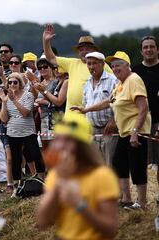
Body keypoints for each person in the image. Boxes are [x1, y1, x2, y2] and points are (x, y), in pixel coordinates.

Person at [72, 51, 151, 210]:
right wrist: (86, 109)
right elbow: (108, 102)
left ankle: (142, 203)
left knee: (137, 166)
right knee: (119, 163)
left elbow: (143, 108)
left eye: (118, 65)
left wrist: (135, 131)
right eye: (113, 66)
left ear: (127, 66)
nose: (115, 68)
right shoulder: (121, 84)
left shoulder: (133, 80)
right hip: (124, 132)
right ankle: (126, 198)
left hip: (136, 131)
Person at [36, 111, 119, 240]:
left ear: (82, 147)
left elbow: (110, 229)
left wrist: (80, 205)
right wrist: (60, 183)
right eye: (58, 139)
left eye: (68, 140)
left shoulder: (102, 176)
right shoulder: (55, 175)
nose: (60, 146)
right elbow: (42, 221)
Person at [42, 24, 112, 112]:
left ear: (94, 51)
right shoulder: (72, 63)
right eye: (81, 49)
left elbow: (115, 89)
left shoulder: (102, 65)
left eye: (87, 49)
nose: (84, 52)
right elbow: (50, 58)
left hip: (92, 116)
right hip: (71, 116)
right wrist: (46, 41)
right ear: (78, 52)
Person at [0, 72, 45, 188]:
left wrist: (14, 100)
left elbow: (25, 113)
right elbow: (3, 119)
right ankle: (16, 185)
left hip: (28, 131)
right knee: (16, 159)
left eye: (15, 82)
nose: (12, 84)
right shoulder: (6, 98)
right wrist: (4, 102)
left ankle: (41, 180)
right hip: (12, 132)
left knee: (35, 154)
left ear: (20, 83)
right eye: (10, 82)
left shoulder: (28, 95)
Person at [132, 36, 159, 203]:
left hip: (158, 120)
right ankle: (141, 199)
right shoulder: (135, 72)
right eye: (145, 47)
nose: (148, 50)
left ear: (157, 49)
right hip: (141, 122)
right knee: (140, 162)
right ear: (141, 51)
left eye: (152, 47)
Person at [81, 52, 118, 165]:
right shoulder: (87, 83)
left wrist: (113, 120)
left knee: (109, 164)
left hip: (109, 128)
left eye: (94, 63)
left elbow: (118, 103)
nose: (91, 67)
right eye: (89, 64)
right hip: (92, 129)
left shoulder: (113, 80)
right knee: (94, 165)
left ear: (102, 64)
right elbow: (85, 104)